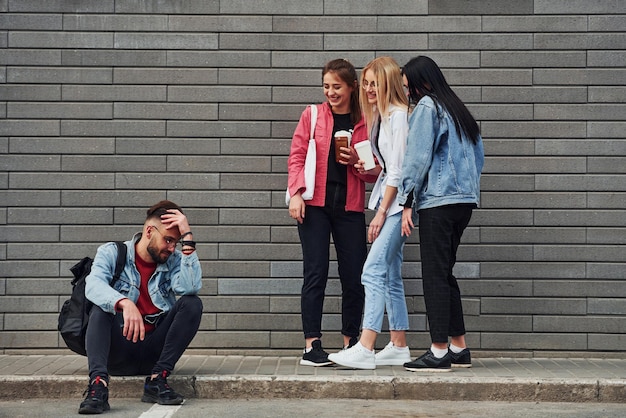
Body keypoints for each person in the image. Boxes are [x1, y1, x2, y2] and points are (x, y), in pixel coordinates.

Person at [287, 58, 377, 366]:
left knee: (354, 276)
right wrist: (296, 194)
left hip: (350, 208)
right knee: (316, 273)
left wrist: (355, 161)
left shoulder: (365, 120)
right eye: (326, 86)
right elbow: (297, 156)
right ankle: (312, 345)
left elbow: (374, 171)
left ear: (353, 87)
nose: (331, 92)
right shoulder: (312, 115)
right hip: (314, 207)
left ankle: (352, 342)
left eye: (337, 86)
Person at [398, 56, 484, 372]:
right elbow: (479, 158)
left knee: (434, 275)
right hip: (463, 203)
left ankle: (438, 351)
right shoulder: (458, 110)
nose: (408, 94)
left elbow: (417, 158)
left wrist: (407, 200)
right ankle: (459, 347)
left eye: (409, 87)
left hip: (438, 202)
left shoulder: (427, 108)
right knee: (445, 273)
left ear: (424, 82)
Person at [78, 200, 203, 414]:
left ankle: (157, 380)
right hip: (119, 351)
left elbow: (190, 287)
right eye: (168, 240)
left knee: (192, 303)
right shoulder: (112, 252)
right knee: (100, 308)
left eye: (177, 241)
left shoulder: (173, 260)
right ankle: (98, 385)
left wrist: (188, 238)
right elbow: (93, 285)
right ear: (149, 231)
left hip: (154, 351)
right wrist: (124, 302)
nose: (173, 247)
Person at [328, 56, 411, 370]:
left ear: (389, 82)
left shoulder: (399, 116)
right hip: (388, 202)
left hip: (394, 206)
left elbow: (400, 172)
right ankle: (399, 344)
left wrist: (380, 214)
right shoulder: (384, 116)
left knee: (372, 271)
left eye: (374, 83)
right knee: (389, 275)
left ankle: (365, 346)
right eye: (366, 83)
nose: (368, 88)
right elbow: (388, 167)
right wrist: (370, 166)